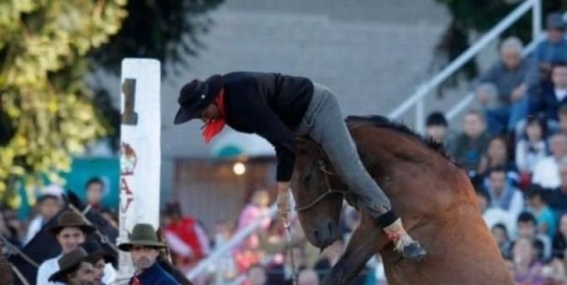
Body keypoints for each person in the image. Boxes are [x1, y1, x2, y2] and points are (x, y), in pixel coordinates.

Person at [173, 72, 426, 260]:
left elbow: (283, 143)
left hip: (318, 109)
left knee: (350, 171)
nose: (201, 118)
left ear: (211, 100)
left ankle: (400, 235)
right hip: (294, 125)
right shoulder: (230, 108)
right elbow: (282, 138)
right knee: (314, 177)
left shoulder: (240, 103)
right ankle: (367, 219)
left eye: (200, 111)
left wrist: (282, 192)